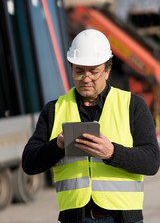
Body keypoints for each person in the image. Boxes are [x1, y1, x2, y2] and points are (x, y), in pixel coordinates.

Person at [22, 29, 160, 223]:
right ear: (71, 69)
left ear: (107, 70)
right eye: (79, 71)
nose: (86, 78)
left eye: (93, 71)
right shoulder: (54, 109)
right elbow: (29, 163)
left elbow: (152, 162)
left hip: (123, 218)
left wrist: (112, 153)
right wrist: (57, 146)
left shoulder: (132, 105)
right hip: (75, 218)